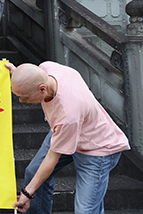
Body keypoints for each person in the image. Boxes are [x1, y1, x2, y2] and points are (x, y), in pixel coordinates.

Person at [7, 62, 129, 214]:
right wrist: (18, 73)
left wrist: (27, 193)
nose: (21, 101)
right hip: (65, 131)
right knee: (33, 173)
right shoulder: (47, 68)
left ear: (42, 89)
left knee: (86, 210)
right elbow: (33, 76)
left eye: (23, 97)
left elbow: (52, 157)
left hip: (96, 148)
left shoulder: (67, 114)